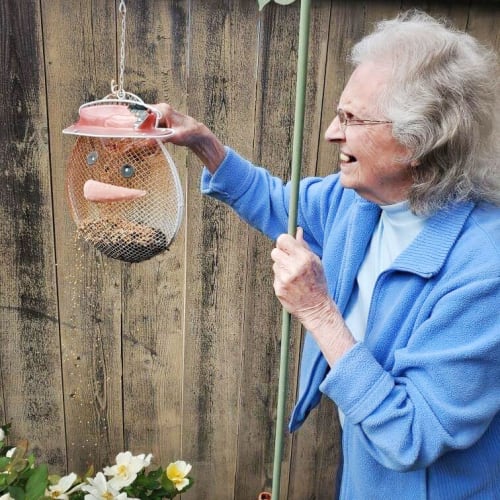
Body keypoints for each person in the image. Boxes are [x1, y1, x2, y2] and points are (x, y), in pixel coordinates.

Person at [155, 10, 500, 499]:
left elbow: (413, 436)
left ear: (417, 141)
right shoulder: (358, 201)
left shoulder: (483, 270)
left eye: (352, 119)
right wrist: (207, 147)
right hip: (365, 477)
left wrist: (318, 311)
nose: (331, 134)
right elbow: (279, 203)